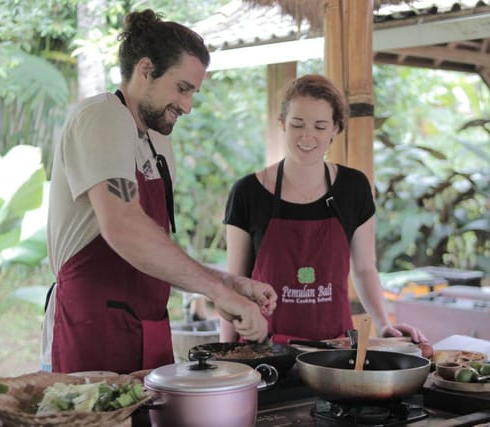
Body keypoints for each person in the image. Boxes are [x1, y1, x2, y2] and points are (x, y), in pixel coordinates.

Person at [43, 9, 276, 374]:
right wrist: (219, 294)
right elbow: (123, 226)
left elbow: (155, 245)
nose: (187, 106)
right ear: (146, 69)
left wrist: (227, 281)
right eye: (182, 88)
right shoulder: (101, 117)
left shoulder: (158, 142)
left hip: (149, 326)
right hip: (93, 327)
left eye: (193, 93)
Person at [221, 74, 427, 345]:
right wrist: (225, 353)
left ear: (335, 129)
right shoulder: (247, 192)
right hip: (265, 352)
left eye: (320, 126)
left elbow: (364, 268)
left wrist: (384, 325)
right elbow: (234, 284)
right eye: (297, 124)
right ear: (283, 124)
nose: (308, 135)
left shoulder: (354, 187)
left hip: (334, 353)